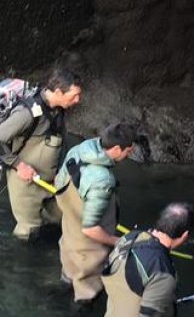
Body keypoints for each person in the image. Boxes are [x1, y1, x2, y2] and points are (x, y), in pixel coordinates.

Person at [0, 68, 83, 241]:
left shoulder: (59, 109)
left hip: (50, 179)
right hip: (26, 181)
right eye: (74, 95)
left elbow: (60, 141)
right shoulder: (27, 114)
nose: (78, 100)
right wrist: (19, 165)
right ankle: (22, 265)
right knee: (28, 231)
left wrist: (61, 170)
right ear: (58, 92)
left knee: (61, 218)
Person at [54, 121, 136, 302]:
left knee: (68, 278)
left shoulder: (81, 149)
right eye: (128, 151)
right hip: (87, 249)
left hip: (70, 234)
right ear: (115, 149)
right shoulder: (102, 180)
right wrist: (118, 241)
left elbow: (57, 186)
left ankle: (60, 301)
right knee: (86, 293)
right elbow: (90, 229)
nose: (130, 154)